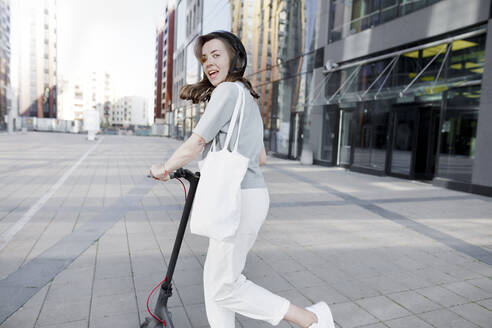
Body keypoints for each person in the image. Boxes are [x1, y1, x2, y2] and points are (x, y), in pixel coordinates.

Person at [150, 31, 334, 328]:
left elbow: (197, 142)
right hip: (249, 195)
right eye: (204, 58)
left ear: (235, 57)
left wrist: (165, 167)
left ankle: (310, 319)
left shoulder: (226, 91)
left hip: (238, 198)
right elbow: (260, 157)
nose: (209, 62)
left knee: (224, 286)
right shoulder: (248, 97)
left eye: (216, 54)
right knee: (216, 283)